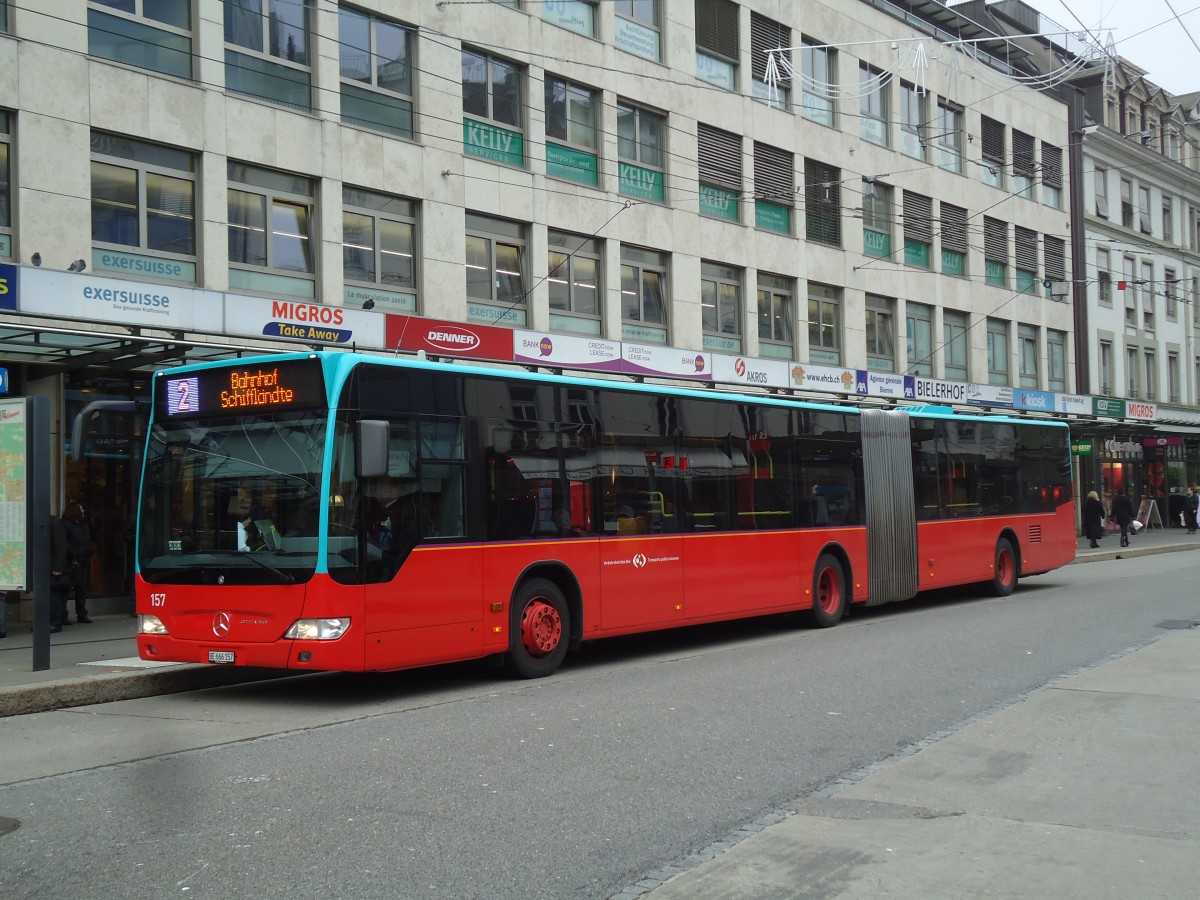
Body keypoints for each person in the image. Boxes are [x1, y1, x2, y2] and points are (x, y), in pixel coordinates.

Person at [60, 501, 95, 623]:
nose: (83, 511)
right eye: (81, 509)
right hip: (71, 561)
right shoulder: (65, 524)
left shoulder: (84, 524)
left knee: (81, 589)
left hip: (83, 560)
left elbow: (88, 538)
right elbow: (64, 543)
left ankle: (81, 613)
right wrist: (75, 553)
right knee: (65, 589)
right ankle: (63, 615)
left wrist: (89, 550)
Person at [49, 513, 71, 632]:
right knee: (48, 595)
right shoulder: (50, 522)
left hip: (51, 565)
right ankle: (48, 621)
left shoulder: (54, 522)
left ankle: (55, 622)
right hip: (44, 564)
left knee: (52, 595)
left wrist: (58, 566)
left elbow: (60, 546)